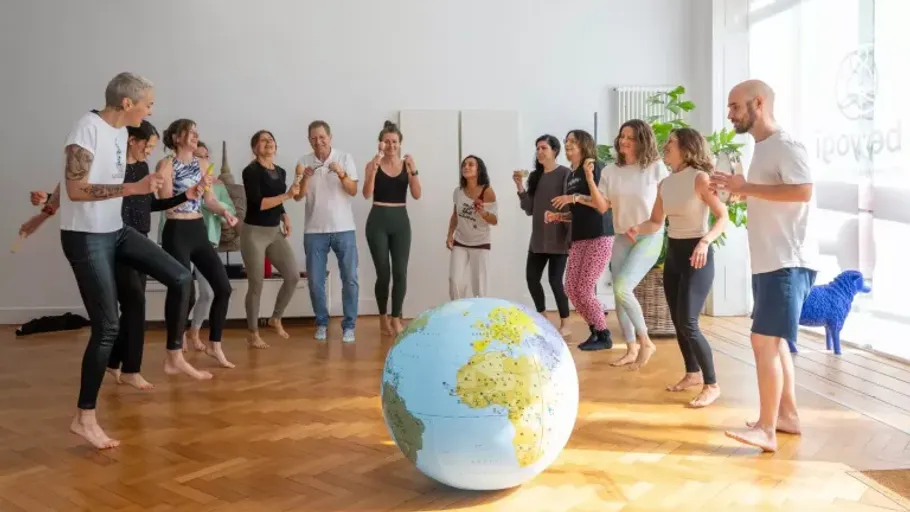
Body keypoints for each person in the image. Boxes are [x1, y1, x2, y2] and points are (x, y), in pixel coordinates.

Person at [54, 72, 207, 449]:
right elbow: (76, 187)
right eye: (148, 103)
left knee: (180, 278)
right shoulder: (86, 128)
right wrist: (132, 188)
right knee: (107, 327)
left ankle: (173, 355)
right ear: (127, 103)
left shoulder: (122, 135)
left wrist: (148, 186)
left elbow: (81, 183)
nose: (150, 109)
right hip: (86, 238)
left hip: (115, 230)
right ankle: (84, 417)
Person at [713, 79, 819, 452]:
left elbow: (803, 190)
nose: (730, 114)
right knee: (775, 345)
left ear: (759, 103)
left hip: (788, 262)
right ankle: (786, 417)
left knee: (763, 342)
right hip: (770, 262)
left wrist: (746, 188)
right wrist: (738, 190)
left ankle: (766, 429)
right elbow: (770, 197)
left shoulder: (786, 145)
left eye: (735, 106)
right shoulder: (762, 149)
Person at [631, 127, 728, 407]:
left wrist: (705, 242)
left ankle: (712, 384)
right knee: (677, 319)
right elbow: (656, 221)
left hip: (697, 254)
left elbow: (722, 217)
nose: (665, 146)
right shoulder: (666, 184)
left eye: (671, 142)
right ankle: (692, 373)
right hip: (674, 253)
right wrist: (636, 228)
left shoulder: (700, 179)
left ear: (686, 147)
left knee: (688, 320)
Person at [106, 121, 204, 389]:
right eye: (147, 145)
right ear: (131, 141)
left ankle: (114, 363)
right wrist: (48, 201)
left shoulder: (141, 167)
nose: (149, 151)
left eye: (151, 147)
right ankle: (131, 369)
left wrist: (185, 196)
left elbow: (152, 205)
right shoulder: (114, 169)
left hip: (140, 242)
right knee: (135, 303)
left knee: (133, 306)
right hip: (119, 242)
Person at [156, 119, 239, 369]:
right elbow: (165, 203)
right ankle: (173, 352)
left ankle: (215, 344)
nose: (195, 135)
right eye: (190, 132)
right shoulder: (166, 165)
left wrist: (224, 212)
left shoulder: (204, 164)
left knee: (223, 288)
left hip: (198, 229)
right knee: (182, 290)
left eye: (196, 132)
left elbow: (210, 200)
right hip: (176, 230)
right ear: (176, 138)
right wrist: (190, 192)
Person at [591, 120, 667, 367]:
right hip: (623, 235)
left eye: (631, 138)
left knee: (623, 287)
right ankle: (632, 348)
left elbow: (664, 205)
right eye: (622, 136)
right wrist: (588, 180)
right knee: (618, 293)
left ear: (642, 141)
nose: (624, 141)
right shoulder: (610, 171)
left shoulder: (655, 168)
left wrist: (643, 227)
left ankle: (646, 342)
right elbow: (603, 206)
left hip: (648, 236)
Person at [547, 130, 614, 351]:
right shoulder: (572, 173)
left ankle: (604, 334)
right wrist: (560, 216)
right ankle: (595, 329)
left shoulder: (593, 166)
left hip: (599, 235)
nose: (567, 145)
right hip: (579, 237)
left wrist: (573, 196)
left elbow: (600, 203)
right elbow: (577, 210)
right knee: (571, 288)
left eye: (572, 141)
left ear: (584, 145)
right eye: (566, 141)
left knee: (584, 288)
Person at [293, 121, 359, 343]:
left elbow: (353, 190)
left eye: (322, 137)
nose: (318, 141)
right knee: (315, 281)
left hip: (344, 228)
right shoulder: (303, 163)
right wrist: (305, 179)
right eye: (313, 138)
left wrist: (341, 174)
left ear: (330, 137)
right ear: (309, 140)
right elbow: (298, 196)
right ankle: (321, 322)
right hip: (314, 230)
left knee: (350, 278)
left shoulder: (345, 158)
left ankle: (349, 326)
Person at [240, 130, 301, 348]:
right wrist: (288, 196)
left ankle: (275, 318)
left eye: (271, 139)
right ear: (255, 148)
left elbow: (277, 202)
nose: (268, 143)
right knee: (256, 284)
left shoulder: (281, 172)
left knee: (293, 275)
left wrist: (285, 215)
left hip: (274, 231)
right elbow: (259, 203)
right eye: (263, 140)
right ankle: (253, 333)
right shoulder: (251, 171)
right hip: (254, 233)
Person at [362, 121, 422, 335]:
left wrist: (414, 169)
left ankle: (396, 318)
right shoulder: (372, 164)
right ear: (381, 144)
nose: (391, 145)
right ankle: (382, 317)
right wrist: (374, 167)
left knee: (400, 272)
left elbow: (417, 194)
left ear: (400, 143)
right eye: (387, 141)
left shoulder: (407, 165)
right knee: (384, 274)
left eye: (394, 141)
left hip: (400, 222)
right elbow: (366, 193)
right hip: (377, 220)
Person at [515, 135, 572, 335]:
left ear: (555, 151)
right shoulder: (534, 177)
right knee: (531, 278)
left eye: (543, 148)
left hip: (559, 238)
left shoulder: (566, 174)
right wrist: (520, 186)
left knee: (555, 281)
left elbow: (571, 207)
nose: (539, 152)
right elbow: (529, 208)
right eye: (537, 148)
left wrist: (564, 227)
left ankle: (565, 323)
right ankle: (543, 316)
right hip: (538, 239)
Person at [185, 141, 237, 351]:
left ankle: (194, 331)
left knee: (208, 293)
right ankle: (178, 336)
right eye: (198, 156)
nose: (202, 160)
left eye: (206, 156)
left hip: (208, 241)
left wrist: (218, 205)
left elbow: (229, 210)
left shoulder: (217, 185)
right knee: (184, 294)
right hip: (181, 239)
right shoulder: (181, 179)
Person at [447, 155, 498, 299]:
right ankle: (458, 314)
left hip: (481, 242)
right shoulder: (458, 191)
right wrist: (449, 234)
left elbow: (494, 220)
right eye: (464, 165)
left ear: (479, 169)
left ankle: (481, 318)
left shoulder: (487, 191)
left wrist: (482, 212)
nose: (466, 167)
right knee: (455, 282)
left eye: (471, 164)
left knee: (480, 288)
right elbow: (455, 215)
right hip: (460, 242)